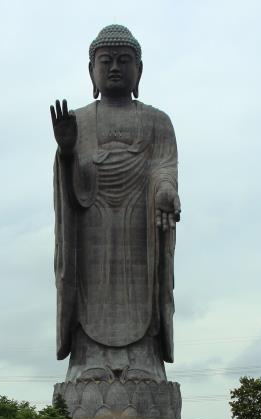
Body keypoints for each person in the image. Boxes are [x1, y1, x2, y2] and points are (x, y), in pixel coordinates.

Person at [51, 25, 181, 389]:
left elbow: (163, 167)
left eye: (124, 61)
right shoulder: (78, 120)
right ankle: (87, 361)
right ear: (90, 69)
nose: (114, 68)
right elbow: (71, 184)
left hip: (140, 227)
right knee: (89, 287)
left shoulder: (158, 122)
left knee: (145, 286)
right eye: (105, 61)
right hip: (92, 224)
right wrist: (65, 152)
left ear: (139, 70)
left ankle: (145, 362)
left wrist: (165, 191)